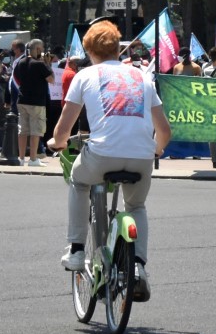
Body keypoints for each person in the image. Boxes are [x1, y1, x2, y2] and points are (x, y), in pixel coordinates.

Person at [50, 20, 170, 300]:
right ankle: (138, 267)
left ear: (90, 51)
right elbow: (163, 130)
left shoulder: (85, 76)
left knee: (79, 182)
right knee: (136, 205)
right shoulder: (143, 76)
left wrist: (58, 142)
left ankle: (78, 249)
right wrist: (157, 150)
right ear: (117, 48)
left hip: (102, 154)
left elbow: (63, 129)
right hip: (141, 156)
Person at [13, 39, 52, 165]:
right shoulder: (39, 64)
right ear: (38, 49)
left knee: (23, 130)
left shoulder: (21, 62)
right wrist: (47, 64)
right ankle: (33, 159)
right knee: (36, 130)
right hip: (36, 101)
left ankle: (21, 158)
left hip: (22, 99)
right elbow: (51, 79)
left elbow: (17, 78)